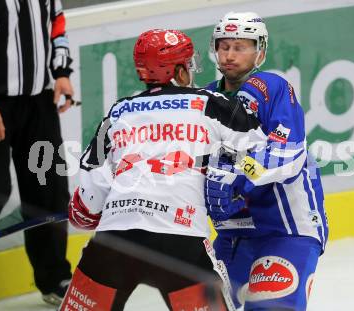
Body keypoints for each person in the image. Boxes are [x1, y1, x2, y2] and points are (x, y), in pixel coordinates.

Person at [60, 29, 271, 311]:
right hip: (181, 242)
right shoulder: (212, 103)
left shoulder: (119, 112)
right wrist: (228, 173)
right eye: (188, 63)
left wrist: (82, 211)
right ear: (180, 72)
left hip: (116, 240)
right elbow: (261, 156)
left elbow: (88, 198)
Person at [204, 12, 329, 311]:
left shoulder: (271, 88)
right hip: (232, 235)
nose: (230, 55)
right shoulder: (206, 96)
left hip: (286, 232)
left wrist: (236, 174)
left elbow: (287, 157)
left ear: (260, 50)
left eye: (240, 47)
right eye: (224, 46)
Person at [0, 0, 74, 309]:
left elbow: (56, 24)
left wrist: (61, 71)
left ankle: (54, 277)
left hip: (38, 104)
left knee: (49, 190)